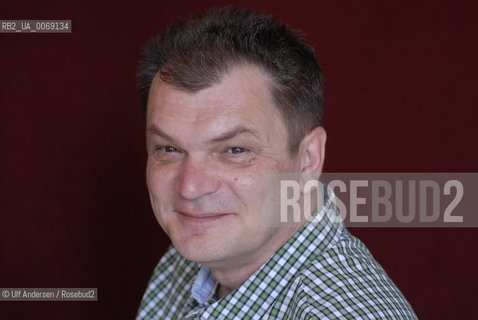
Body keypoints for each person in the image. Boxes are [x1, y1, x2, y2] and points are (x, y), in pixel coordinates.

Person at [135, 7, 417, 319]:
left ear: (308, 159)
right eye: (169, 149)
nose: (190, 188)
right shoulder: (197, 249)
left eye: (235, 150)